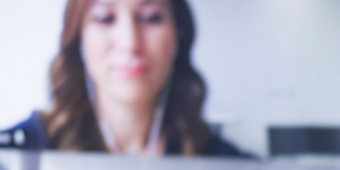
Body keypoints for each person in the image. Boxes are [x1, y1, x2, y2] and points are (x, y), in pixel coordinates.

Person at [0, 0, 247, 156]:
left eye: (151, 17)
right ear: (79, 40)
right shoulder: (22, 153)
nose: (130, 43)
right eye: (105, 18)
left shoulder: (229, 168)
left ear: (178, 36)